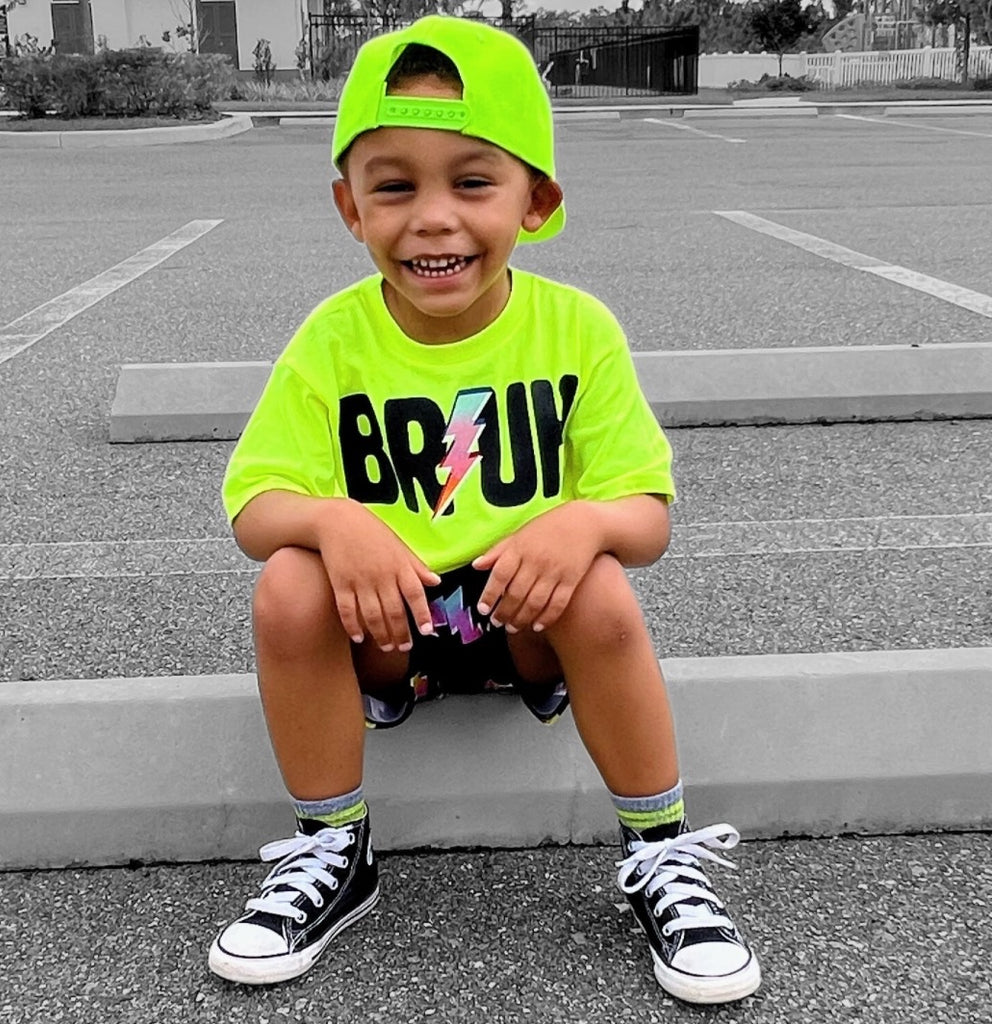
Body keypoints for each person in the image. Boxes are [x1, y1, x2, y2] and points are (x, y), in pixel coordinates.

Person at [210, 14, 761, 1006]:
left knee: (599, 584)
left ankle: (660, 851)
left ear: (536, 201)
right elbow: (255, 505)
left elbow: (647, 517)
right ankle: (332, 850)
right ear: (348, 207)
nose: (432, 219)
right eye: (393, 186)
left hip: (527, 625)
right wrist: (335, 523)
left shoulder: (575, 329)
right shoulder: (332, 340)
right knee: (289, 580)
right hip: (388, 629)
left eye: (472, 182)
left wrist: (584, 523)